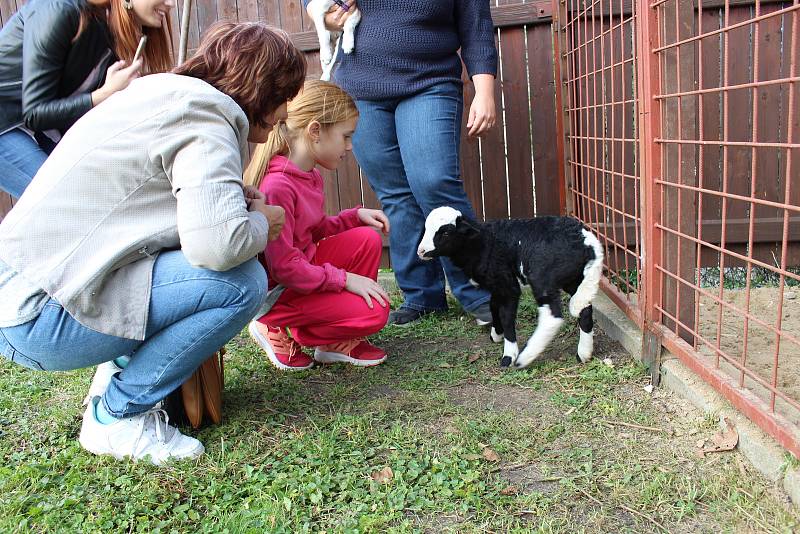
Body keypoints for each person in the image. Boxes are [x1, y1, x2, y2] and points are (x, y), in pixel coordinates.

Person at [0, 21, 306, 464]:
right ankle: (117, 417)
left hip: (19, 296)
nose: (285, 112)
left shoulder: (158, 96)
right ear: (266, 89)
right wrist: (261, 223)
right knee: (241, 282)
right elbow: (218, 246)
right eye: (286, 95)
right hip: (40, 318)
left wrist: (234, 198)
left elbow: (139, 202)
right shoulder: (205, 117)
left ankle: (114, 379)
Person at [304, 0, 499, 326]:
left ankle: (478, 291)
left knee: (434, 183)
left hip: (429, 81)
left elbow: (476, 25)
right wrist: (321, 13)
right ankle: (422, 296)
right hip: (360, 87)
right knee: (395, 193)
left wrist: (485, 90)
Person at [243, 79, 391, 371]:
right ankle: (274, 324)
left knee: (367, 239)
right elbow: (284, 268)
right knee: (376, 312)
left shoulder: (309, 174)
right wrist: (344, 279)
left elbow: (312, 230)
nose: (349, 146)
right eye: (346, 136)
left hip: (302, 274)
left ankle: (332, 340)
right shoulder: (278, 187)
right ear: (315, 131)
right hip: (278, 293)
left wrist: (353, 217)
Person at [0, 0, 176, 198]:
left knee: (96, 193)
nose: (171, 4)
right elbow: (36, 113)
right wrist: (103, 95)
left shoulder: (109, 27)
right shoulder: (59, 11)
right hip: (6, 123)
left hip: (39, 126)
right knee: (63, 202)